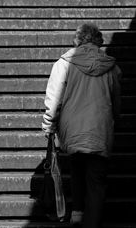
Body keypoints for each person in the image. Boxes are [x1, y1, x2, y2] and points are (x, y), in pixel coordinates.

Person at [42, 23, 122, 228]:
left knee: (76, 167)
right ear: (99, 40)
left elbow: (54, 98)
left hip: (73, 126)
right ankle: (91, 222)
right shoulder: (111, 67)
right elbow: (116, 101)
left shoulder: (64, 63)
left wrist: (48, 124)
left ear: (77, 40)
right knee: (96, 180)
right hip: (99, 127)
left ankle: (77, 214)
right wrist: (115, 119)